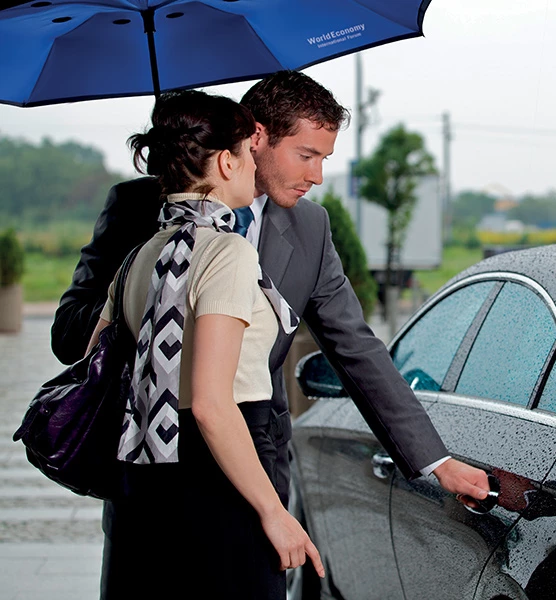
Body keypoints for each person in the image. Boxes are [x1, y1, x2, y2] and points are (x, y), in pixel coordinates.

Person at [51, 71, 490, 594]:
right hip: (148, 466)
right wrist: (155, 308)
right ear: (254, 138)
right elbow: (68, 333)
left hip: (252, 465)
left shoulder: (310, 227)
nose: (318, 175)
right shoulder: (140, 214)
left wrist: (434, 460)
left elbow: (356, 347)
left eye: (325, 158)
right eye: (307, 155)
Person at [87, 89, 322, 598]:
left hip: (144, 478)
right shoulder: (226, 252)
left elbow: (97, 364)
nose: (251, 163)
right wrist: (274, 512)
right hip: (224, 475)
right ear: (225, 161)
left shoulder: (140, 254)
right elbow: (213, 405)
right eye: (245, 152)